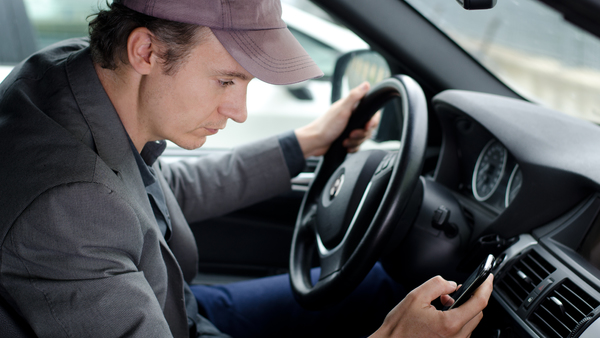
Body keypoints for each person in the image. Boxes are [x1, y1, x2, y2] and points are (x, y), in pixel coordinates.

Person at [0, 0, 493, 337]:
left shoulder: (76, 76)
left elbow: (158, 189)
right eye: (226, 80)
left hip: (181, 308)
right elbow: (95, 206)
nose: (240, 111)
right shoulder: (66, 210)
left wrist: (307, 144)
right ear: (145, 51)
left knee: (385, 284)